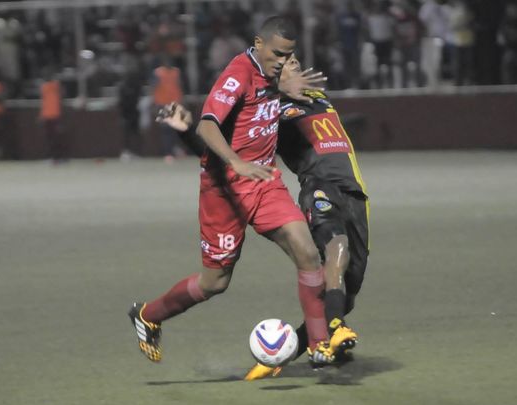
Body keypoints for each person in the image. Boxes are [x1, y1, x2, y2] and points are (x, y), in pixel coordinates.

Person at [127, 16, 336, 368]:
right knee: (215, 282)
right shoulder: (238, 73)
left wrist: (289, 86)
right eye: (278, 54)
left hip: (263, 180)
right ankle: (147, 314)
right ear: (258, 44)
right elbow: (209, 125)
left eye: (290, 56)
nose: (283, 62)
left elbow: (277, 92)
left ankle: (319, 346)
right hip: (222, 189)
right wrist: (235, 162)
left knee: (308, 252)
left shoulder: (276, 75)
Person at [156, 54, 369, 381]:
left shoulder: (317, 97)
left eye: (297, 61)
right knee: (334, 248)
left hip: (355, 194)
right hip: (319, 188)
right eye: (287, 65)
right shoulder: (271, 111)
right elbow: (217, 143)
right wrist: (187, 131)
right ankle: (331, 334)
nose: (295, 64)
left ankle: (283, 354)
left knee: (345, 294)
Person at [39, 70, 66, 163]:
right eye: (45, 75)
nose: (46, 76)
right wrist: (42, 115)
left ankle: (60, 157)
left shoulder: (56, 85)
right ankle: (52, 157)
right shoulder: (43, 86)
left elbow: (62, 95)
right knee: (49, 138)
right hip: (47, 115)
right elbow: (44, 102)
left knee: (57, 138)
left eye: (48, 74)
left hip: (56, 115)